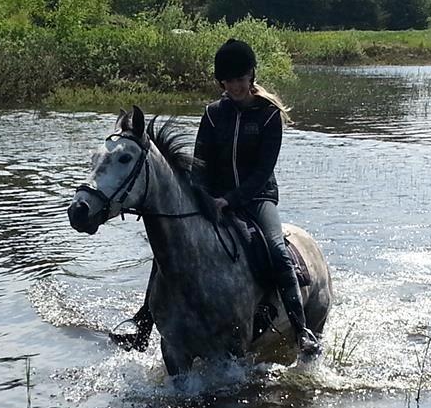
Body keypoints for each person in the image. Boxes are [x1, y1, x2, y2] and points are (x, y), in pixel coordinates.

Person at [112, 38, 321, 356]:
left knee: (277, 251)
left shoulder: (268, 115)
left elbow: (262, 171)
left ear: (251, 76)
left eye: (241, 79)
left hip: (257, 198)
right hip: (214, 198)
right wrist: (201, 197)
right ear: (221, 82)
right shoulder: (212, 114)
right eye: (228, 81)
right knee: (169, 250)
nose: (235, 86)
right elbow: (201, 163)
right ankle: (143, 325)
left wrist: (231, 200)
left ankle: (302, 329)